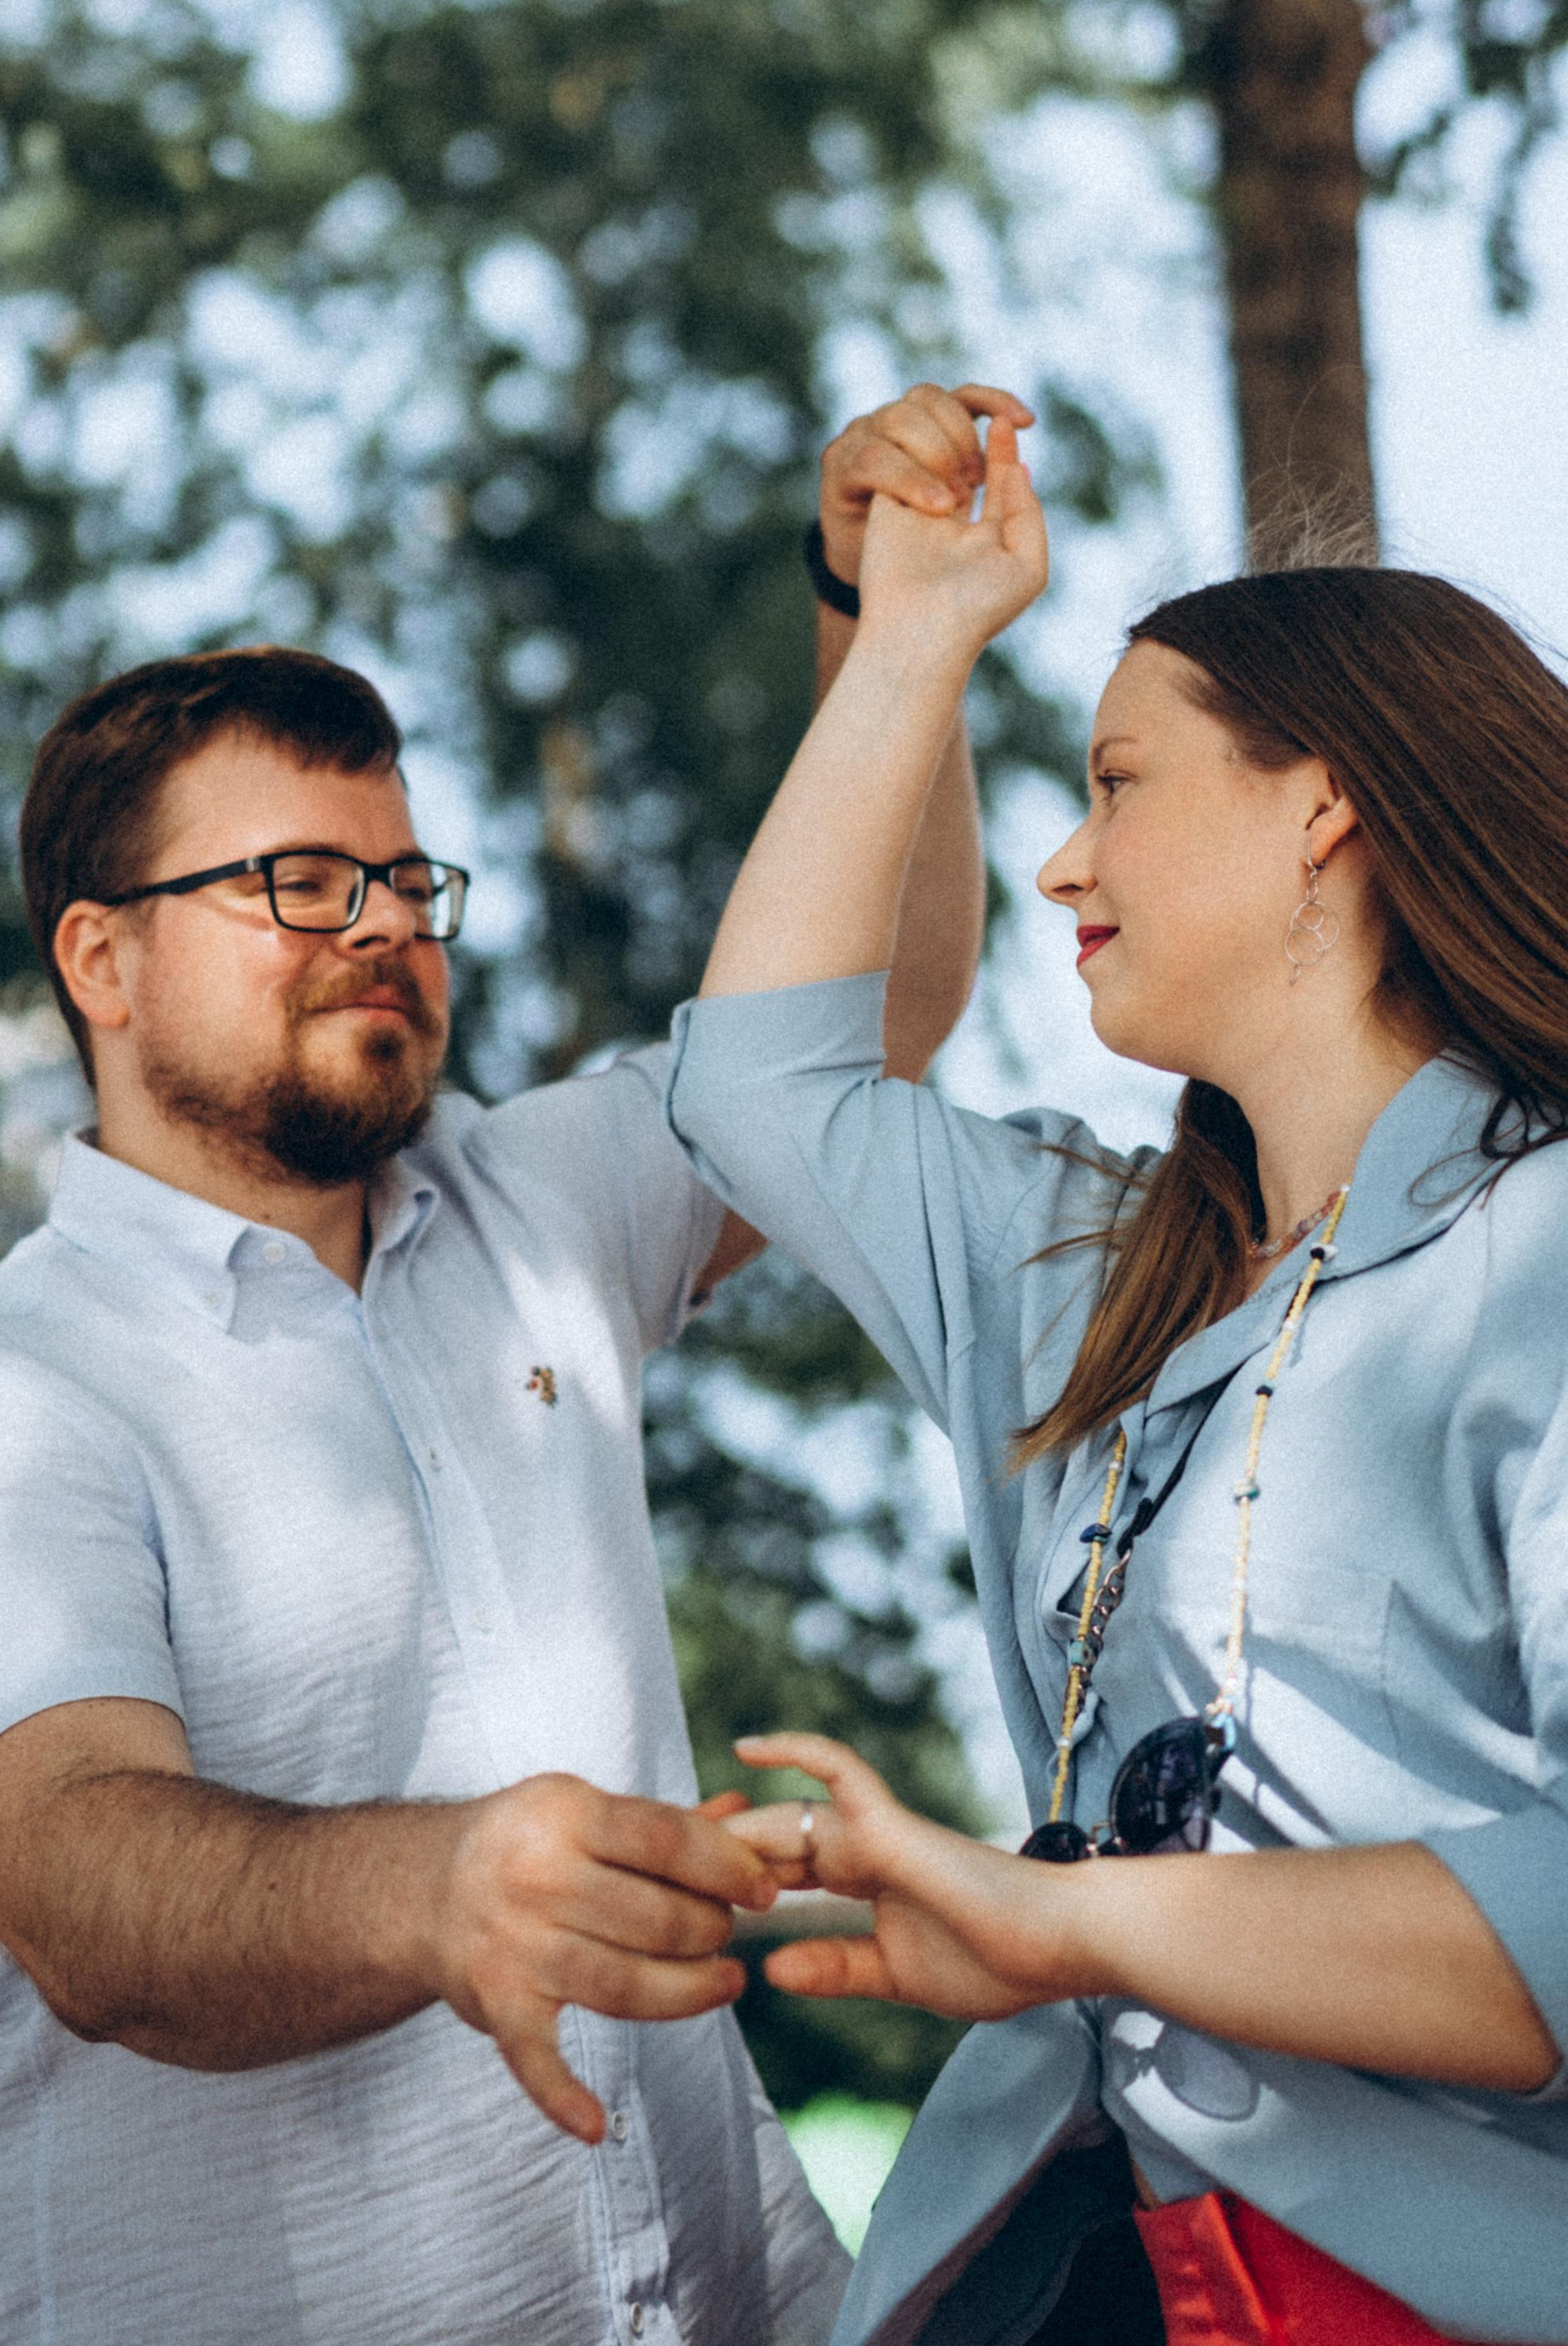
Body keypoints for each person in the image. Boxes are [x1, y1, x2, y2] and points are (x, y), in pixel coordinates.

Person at [0, 387, 1002, 2346]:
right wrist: (440, 1891)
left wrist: (882, 625)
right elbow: (84, 1884)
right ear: (98, 965)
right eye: (294, 882)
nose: (376, 927)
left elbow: (865, 1023)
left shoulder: (539, 1202)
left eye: (400, 880)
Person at [666, 401, 1568, 2346]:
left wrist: (1050, 1918)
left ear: (1319, 803)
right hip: (1078, 2268)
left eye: (1114, 780)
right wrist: (908, 628)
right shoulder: (1096, 1275)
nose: (1060, 862)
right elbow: (760, 1090)